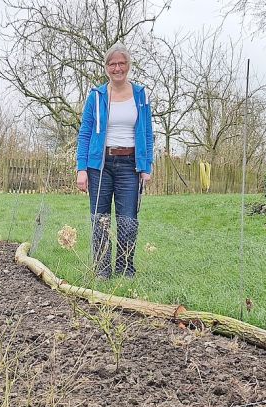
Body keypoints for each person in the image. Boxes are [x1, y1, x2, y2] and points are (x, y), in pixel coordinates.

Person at [75, 42, 153, 279]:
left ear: (128, 66)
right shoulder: (96, 96)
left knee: (128, 218)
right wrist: (81, 168)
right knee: (100, 219)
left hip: (130, 164)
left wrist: (146, 166)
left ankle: (125, 267)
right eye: (113, 64)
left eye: (122, 63)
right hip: (100, 165)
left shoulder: (140, 95)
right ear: (106, 67)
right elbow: (85, 132)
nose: (117, 68)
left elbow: (147, 132)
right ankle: (102, 269)